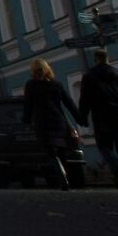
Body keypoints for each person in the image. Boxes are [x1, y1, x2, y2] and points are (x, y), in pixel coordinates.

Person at [76, 49, 118, 192]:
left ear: (96, 59)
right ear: (107, 58)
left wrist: (83, 117)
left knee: (105, 147)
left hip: (101, 117)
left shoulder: (89, 76)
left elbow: (84, 100)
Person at [22, 58, 84, 190]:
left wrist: (26, 119)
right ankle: (65, 176)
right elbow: (69, 103)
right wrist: (79, 119)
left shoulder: (31, 85)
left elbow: (28, 105)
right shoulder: (56, 84)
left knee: (51, 152)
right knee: (62, 151)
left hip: (42, 122)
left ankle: (62, 176)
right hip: (59, 121)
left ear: (33, 70)